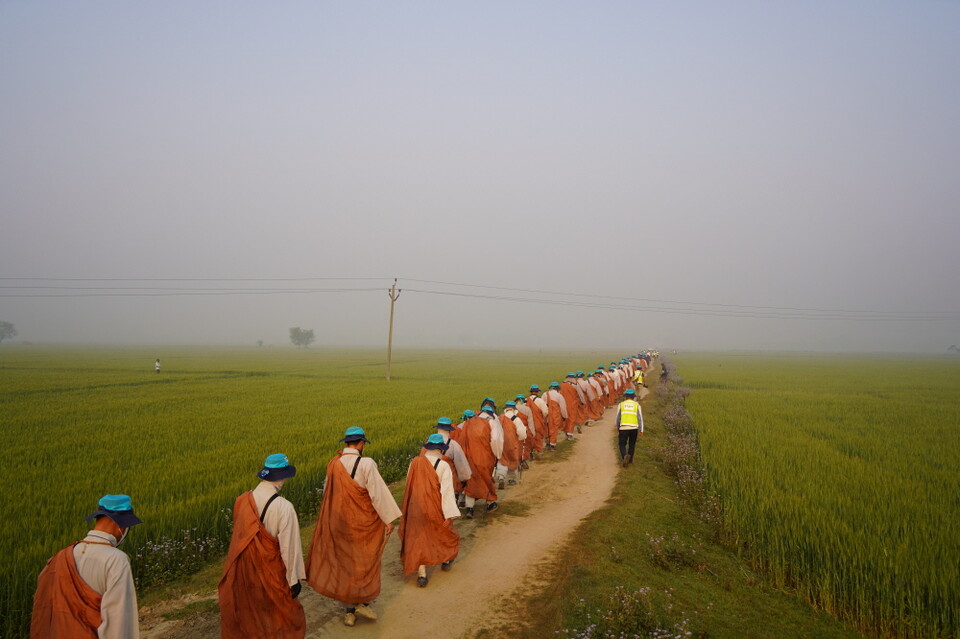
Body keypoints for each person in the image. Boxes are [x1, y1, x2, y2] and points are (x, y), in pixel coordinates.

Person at [306, 427, 402, 627]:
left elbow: (328, 493)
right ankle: (363, 602)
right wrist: (388, 519)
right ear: (361, 443)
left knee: (344, 566)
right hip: (363, 523)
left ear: (346, 443)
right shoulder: (366, 463)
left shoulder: (334, 464)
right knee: (365, 562)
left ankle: (349, 612)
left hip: (339, 523)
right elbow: (377, 493)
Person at [31, 494, 143, 638]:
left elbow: (43, 609)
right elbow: (119, 620)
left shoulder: (59, 557)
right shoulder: (116, 560)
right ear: (122, 525)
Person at [219, 454, 306, 639]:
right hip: (272, 572)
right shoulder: (284, 507)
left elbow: (240, 537)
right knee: (284, 617)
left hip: (245, 571)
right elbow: (290, 548)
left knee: (252, 615)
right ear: (282, 476)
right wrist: (294, 579)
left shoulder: (242, 500)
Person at [398, 434, 461, 587]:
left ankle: (422, 575)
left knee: (419, 539)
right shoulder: (443, 465)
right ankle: (445, 560)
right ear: (440, 448)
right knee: (444, 534)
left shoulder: (415, 462)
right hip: (434, 506)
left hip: (415, 506)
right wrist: (449, 514)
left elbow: (409, 484)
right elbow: (446, 491)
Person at [459, 409, 501, 518]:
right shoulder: (490, 423)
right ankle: (490, 502)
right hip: (485, 457)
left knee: (471, 481)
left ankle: (470, 509)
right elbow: (496, 440)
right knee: (486, 478)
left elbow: (461, 442)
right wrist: (497, 455)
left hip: (469, 458)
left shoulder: (465, 425)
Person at [615, 388, 644, 467]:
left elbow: (618, 417)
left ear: (626, 396)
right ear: (633, 396)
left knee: (622, 444)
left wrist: (617, 426)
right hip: (634, 428)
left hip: (623, 427)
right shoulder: (637, 405)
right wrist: (641, 430)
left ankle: (624, 456)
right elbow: (640, 418)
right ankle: (630, 461)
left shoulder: (621, 404)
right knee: (632, 444)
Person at [543, 382, 568, 450]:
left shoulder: (545, 394)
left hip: (546, 414)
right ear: (557, 388)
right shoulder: (559, 395)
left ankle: (547, 443)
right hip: (555, 415)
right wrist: (564, 416)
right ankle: (552, 444)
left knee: (546, 428)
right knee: (554, 429)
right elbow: (563, 407)